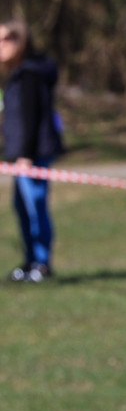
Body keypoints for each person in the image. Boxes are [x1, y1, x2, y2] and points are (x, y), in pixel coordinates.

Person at [0, 19, 64, 282]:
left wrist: (25, 154)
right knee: (22, 207)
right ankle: (30, 262)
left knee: (35, 206)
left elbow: (30, 117)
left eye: (4, 40)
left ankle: (41, 264)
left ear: (20, 41)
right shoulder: (18, 74)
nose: (0, 46)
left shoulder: (29, 74)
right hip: (20, 153)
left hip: (32, 154)